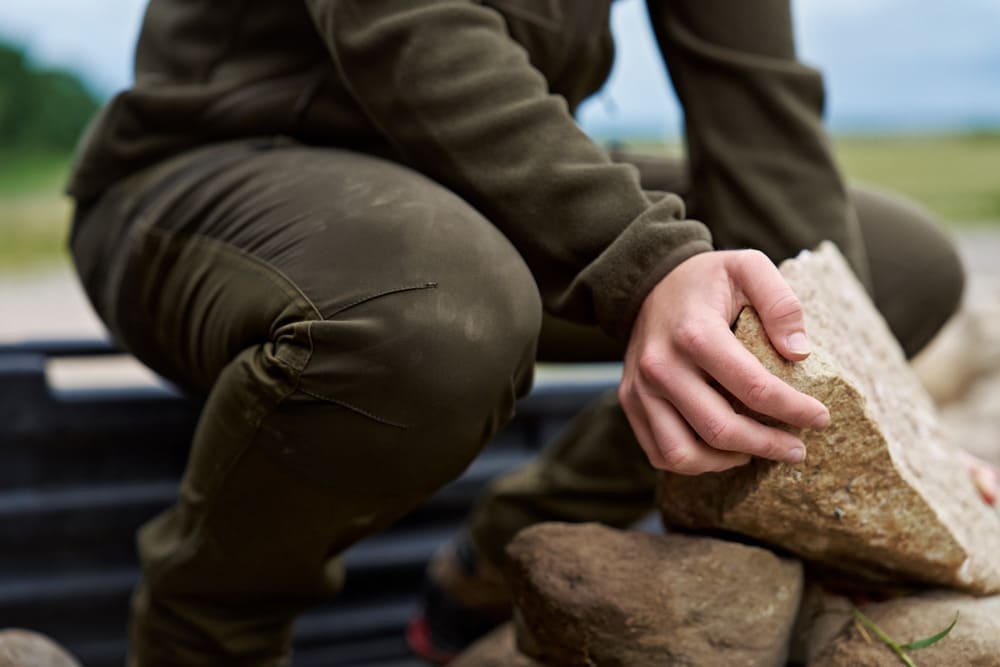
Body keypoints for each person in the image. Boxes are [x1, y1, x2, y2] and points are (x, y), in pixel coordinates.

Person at [66, 0, 996, 664]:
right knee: (440, 312)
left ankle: (502, 551)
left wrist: (887, 434)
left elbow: (760, 118)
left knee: (887, 264)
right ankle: (208, 632)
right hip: (216, 172)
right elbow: (401, 23)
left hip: (474, 177)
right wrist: (644, 261)